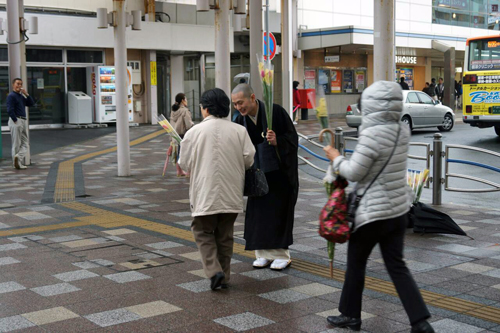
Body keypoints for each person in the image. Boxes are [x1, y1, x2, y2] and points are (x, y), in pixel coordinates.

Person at [323, 81, 434, 333]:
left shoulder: (372, 134)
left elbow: (354, 172)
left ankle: (350, 315)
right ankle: (420, 321)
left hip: (372, 214)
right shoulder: (401, 129)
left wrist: (335, 157)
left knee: (356, 263)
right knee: (397, 266)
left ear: (371, 106)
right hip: (397, 210)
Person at [178, 88, 255, 291]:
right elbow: (249, 158)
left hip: (205, 192)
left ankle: (214, 271)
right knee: (225, 235)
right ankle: (225, 276)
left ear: (205, 109)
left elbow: (184, 164)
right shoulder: (239, 130)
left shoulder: (194, 132)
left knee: (202, 231)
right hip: (232, 192)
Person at [231, 84, 298, 271]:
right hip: (256, 176)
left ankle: (281, 255)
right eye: (235, 104)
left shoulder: (275, 112)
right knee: (257, 215)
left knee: (277, 213)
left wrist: (278, 141)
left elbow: (292, 139)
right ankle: (261, 254)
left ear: (252, 97)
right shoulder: (239, 120)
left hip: (279, 176)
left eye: (240, 102)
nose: (238, 107)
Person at [7, 78, 35, 170]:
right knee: (16, 143)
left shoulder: (21, 96)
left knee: (26, 143)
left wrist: (26, 94)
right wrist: (15, 119)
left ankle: (18, 158)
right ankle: (16, 164)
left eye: (21, 84)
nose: (19, 86)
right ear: (13, 85)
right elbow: (10, 109)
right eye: (17, 84)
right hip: (16, 120)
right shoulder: (11, 96)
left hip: (23, 120)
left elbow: (31, 103)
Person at [170, 93, 194, 177]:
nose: (187, 101)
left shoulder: (173, 111)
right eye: (186, 99)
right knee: (188, 152)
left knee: (178, 153)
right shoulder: (185, 111)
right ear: (183, 101)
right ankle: (188, 172)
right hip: (184, 134)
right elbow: (188, 124)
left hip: (175, 134)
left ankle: (179, 171)